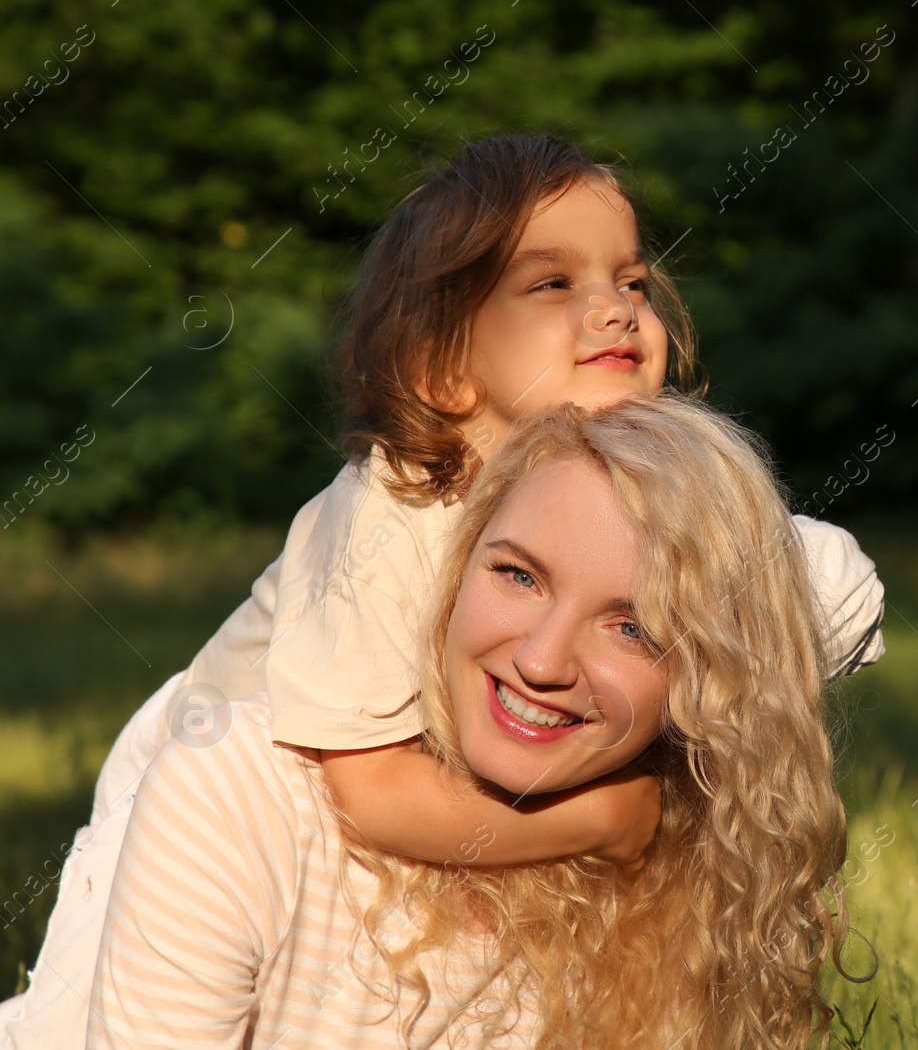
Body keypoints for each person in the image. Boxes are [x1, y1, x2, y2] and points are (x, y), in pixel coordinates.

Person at [1, 134, 884, 1048]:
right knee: (68, 1022)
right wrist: (607, 818)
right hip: (192, 806)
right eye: (552, 285)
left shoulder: (679, 513)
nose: (616, 311)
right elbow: (373, 793)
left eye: (631, 281)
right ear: (443, 368)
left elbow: (833, 586)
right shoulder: (385, 515)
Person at [90, 394, 859, 1048]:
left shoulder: (689, 896)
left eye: (634, 627)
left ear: (709, 680)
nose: (543, 659)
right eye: (518, 575)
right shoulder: (243, 795)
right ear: (457, 570)